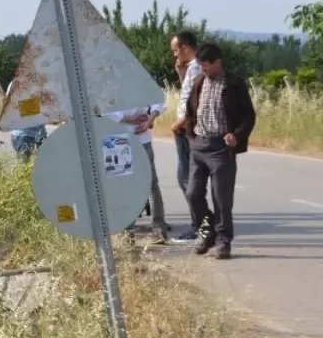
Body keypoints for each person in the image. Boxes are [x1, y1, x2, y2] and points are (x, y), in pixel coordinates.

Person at [183, 43, 256, 260]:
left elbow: (248, 116)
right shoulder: (198, 82)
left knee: (221, 198)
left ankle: (223, 240)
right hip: (199, 146)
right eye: (200, 65)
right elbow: (189, 112)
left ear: (218, 61)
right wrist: (191, 136)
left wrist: (237, 135)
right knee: (193, 194)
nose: (202, 69)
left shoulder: (234, 84)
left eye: (205, 65)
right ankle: (207, 231)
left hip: (221, 149)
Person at [106, 102, 169, 244]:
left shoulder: (105, 81)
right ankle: (158, 229)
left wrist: (141, 120)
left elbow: (103, 112)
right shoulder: (141, 80)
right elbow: (158, 102)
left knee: (123, 186)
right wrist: (149, 119)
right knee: (150, 184)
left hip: (118, 139)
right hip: (138, 135)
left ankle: (127, 233)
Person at [169, 30, 209, 242]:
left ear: (185, 48)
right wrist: (179, 72)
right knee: (185, 177)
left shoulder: (197, 67)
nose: (176, 56)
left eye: (176, 51)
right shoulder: (191, 68)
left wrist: (180, 122)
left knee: (188, 178)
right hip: (185, 127)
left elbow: (195, 100)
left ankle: (200, 224)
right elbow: (187, 91)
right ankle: (200, 222)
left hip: (187, 128)